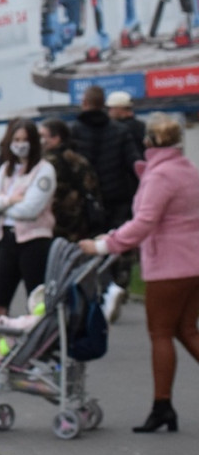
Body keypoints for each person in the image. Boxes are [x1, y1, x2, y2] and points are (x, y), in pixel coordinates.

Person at [79, 114, 199, 434]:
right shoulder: (188, 169)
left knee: (160, 333)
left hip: (168, 266)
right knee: (187, 330)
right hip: (193, 262)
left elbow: (144, 222)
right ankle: (163, 407)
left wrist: (104, 245)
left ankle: (162, 405)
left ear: (149, 141)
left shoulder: (160, 176)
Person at [0, 120, 57, 393]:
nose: (20, 144)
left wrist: (1, 205)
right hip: (8, 240)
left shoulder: (44, 171)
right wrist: (10, 200)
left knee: (38, 307)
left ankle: (42, 360)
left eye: (25, 139)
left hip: (35, 242)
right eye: (16, 139)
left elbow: (31, 209)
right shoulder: (7, 169)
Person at [70, 85, 142, 300]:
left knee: (88, 245)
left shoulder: (75, 131)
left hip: (86, 201)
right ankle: (117, 285)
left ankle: (92, 290)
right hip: (117, 197)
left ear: (85, 103)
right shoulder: (120, 131)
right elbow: (134, 163)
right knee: (116, 242)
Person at [39, 118, 102, 242]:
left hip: (53, 221)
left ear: (56, 138)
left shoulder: (46, 163)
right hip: (76, 220)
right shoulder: (77, 159)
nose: (40, 140)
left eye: (42, 136)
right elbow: (92, 188)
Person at [105, 90, 146, 156]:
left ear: (119, 108)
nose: (109, 111)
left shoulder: (116, 129)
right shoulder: (142, 126)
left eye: (110, 108)